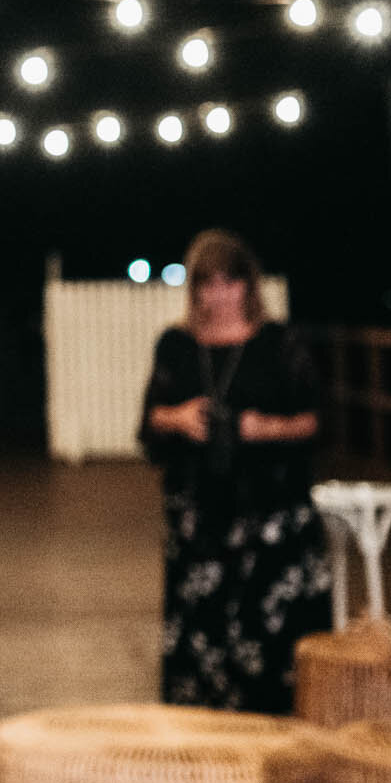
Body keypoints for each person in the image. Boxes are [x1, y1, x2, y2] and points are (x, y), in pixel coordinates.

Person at [139, 228, 328, 714]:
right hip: (199, 513)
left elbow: (317, 422)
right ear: (195, 289)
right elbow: (148, 422)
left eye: (229, 283)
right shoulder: (176, 345)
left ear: (248, 285)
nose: (218, 295)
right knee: (202, 631)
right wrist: (180, 417)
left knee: (269, 636)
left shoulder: (281, 342)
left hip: (270, 513)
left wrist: (262, 428)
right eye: (207, 284)